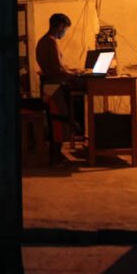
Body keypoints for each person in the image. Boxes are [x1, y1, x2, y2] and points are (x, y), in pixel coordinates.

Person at [35, 13, 82, 162]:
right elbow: (58, 70)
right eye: (65, 29)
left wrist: (70, 70)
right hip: (54, 86)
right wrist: (74, 75)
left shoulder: (42, 41)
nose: (65, 32)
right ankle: (56, 156)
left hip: (47, 86)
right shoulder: (51, 42)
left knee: (55, 120)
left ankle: (56, 154)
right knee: (59, 121)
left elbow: (55, 66)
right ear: (61, 26)